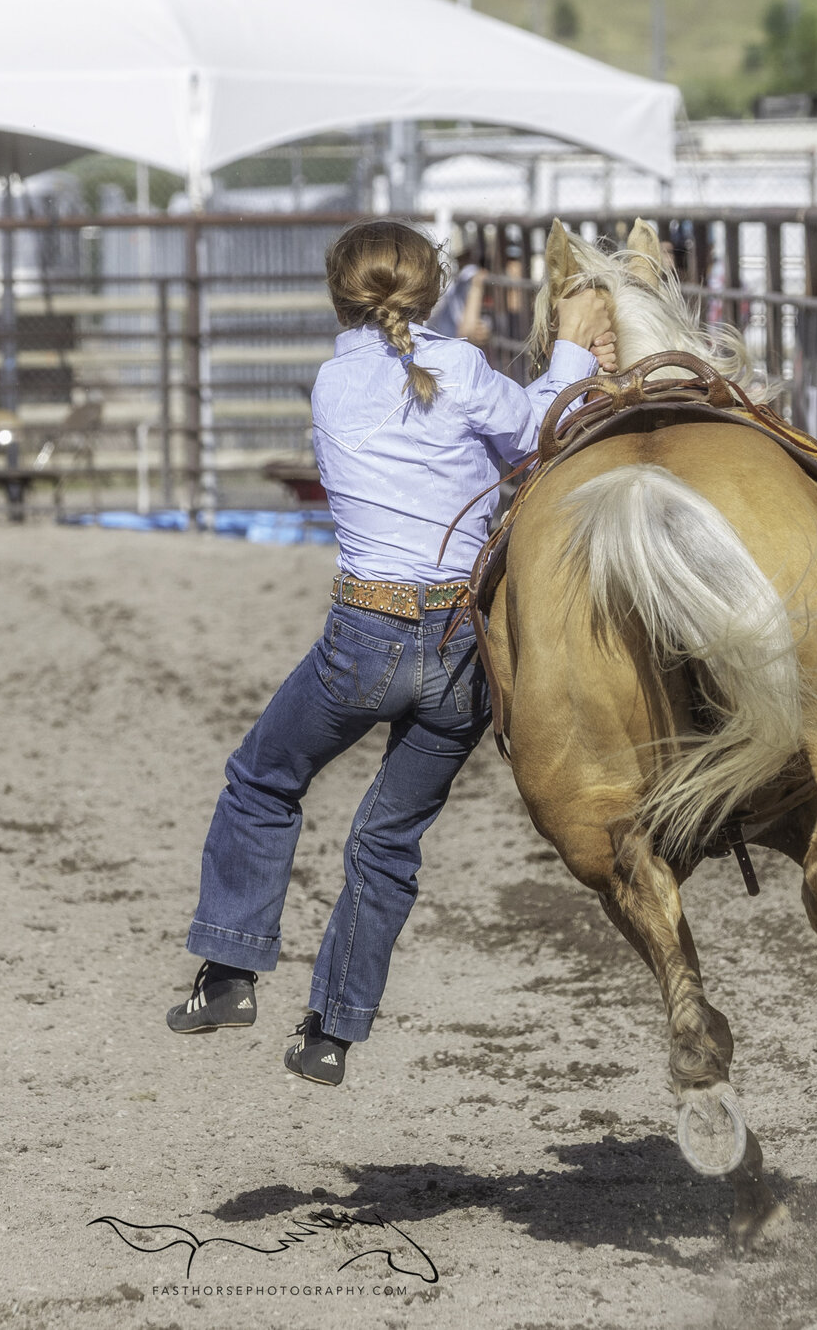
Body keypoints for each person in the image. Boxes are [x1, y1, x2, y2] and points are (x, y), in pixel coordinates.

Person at [167, 219, 615, 1085]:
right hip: (461, 646)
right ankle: (331, 1031)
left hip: (364, 634)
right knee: (387, 841)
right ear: (434, 291)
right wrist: (572, 349)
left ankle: (228, 969)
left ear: (340, 295)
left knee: (264, 778)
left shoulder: (333, 386)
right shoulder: (466, 372)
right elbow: (536, 435)